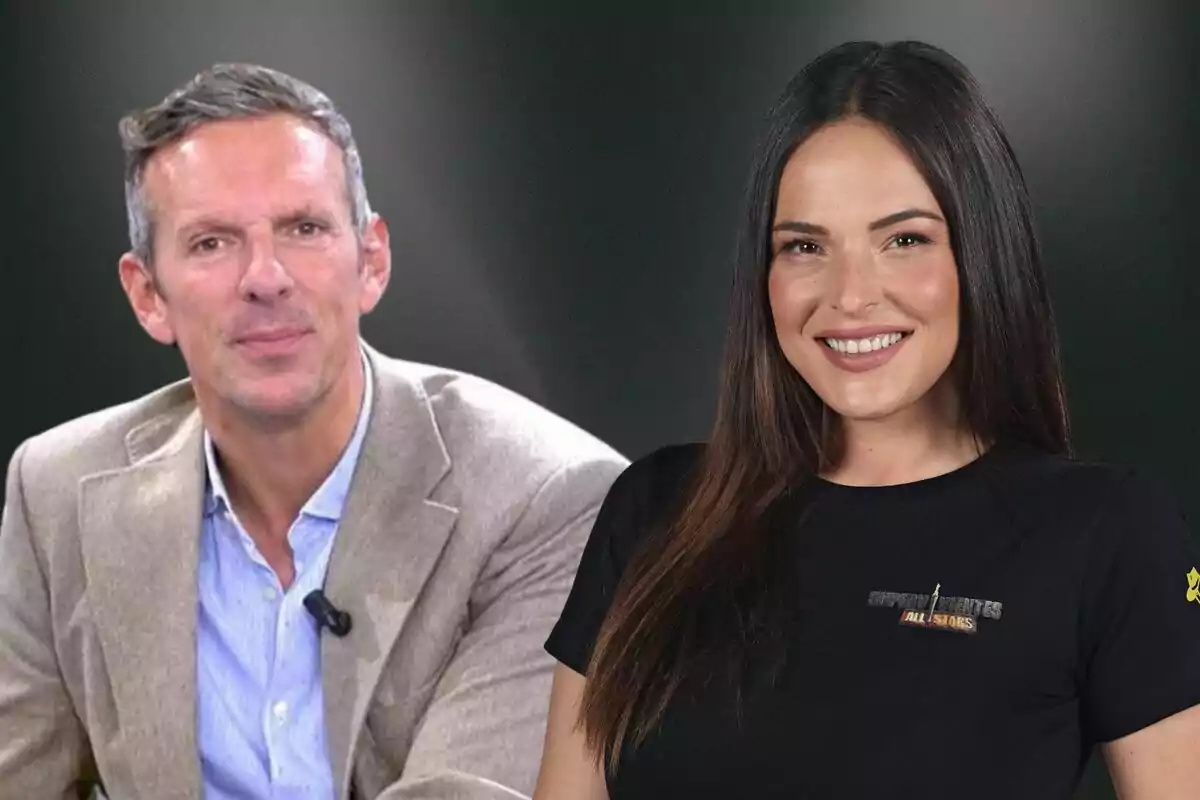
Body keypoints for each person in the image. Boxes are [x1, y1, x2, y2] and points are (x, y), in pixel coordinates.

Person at [533, 40, 1200, 800]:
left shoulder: (1107, 534)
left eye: (904, 240)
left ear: (982, 253)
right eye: (806, 246)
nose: (850, 297)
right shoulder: (653, 511)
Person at [0, 63, 628, 800]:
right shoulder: (56, 491)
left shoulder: (550, 499)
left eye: (303, 228)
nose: (265, 277)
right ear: (148, 296)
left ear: (371, 261)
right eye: (212, 242)